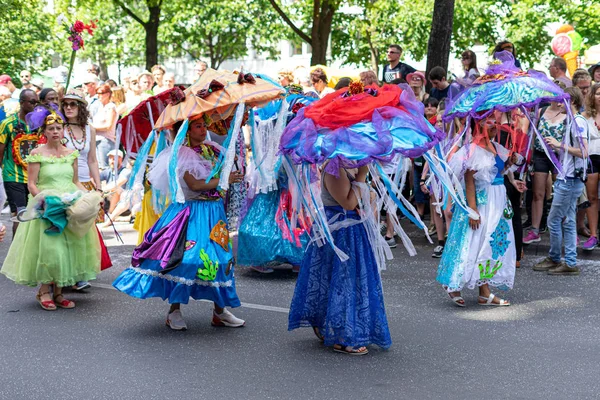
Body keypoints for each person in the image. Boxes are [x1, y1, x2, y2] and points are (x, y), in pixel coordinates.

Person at [113, 118, 246, 331]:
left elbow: (226, 170)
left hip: (214, 212)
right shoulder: (181, 154)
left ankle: (220, 312)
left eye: (204, 126)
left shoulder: (212, 149)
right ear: (185, 131)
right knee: (185, 260)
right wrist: (225, 180)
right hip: (191, 213)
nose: (203, 130)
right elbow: (195, 185)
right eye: (198, 126)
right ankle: (174, 310)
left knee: (220, 260)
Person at [0, 104, 101, 310]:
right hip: (46, 204)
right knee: (51, 249)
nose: (55, 131)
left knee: (67, 248)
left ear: (63, 129)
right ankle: (44, 291)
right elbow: (32, 184)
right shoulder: (37, 153)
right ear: (44, 132)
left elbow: (76, 181)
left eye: (59, 128)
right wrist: (44, 201)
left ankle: (59, 292)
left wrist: (87, 197)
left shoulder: (71, 153)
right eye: (51, 128)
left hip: (68, 203)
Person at [288, 163, 392, 355]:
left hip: (352, 232)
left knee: (346, 281)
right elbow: (348, 203)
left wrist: (366, 193)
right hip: (340, 234)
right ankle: (342, 338)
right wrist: (362, 175)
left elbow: (361, 198)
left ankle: (330, 326)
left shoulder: (349, 166)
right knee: (343, 282)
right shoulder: (334, 167)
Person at [437, 117, 520, 306]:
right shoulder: (472, 150)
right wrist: (472, 210)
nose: (494, 126)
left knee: (491, 244)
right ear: (478, 125)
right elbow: (469, 181)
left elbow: (496, 173)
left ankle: (485, 292)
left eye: (495, 121)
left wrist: (508, 164)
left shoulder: (496, 147)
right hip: (483, 201)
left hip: (498, 199)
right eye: (489, 122)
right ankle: (454, 286)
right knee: (473, 241)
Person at [533, 88, 588, 275]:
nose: (556, 104)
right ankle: (569, 261)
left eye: (560, 100)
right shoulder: (572, 121)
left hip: (570, 180)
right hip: (568, 177)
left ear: (570, 100)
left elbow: (584, 151)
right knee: (567, 220)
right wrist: (558, 149)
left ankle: (556, 258)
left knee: (554, 219)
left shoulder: (578, 122)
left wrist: (560, 145)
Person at [62, 89, 105, 291]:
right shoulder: (58, 128)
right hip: (65, 184)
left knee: (85, 231)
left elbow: (92, 160)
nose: (68, 107)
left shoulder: (90, 129)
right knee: (67, 230)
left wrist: (98, 185)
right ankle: (66, 273)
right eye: (65, 104)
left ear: (81, 107)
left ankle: (80, 273)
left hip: (86, 183)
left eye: (73, 104)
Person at [522, 100, 567, 244]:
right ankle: (535, 229)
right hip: (540, 154)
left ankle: (567, 229)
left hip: (559, 156)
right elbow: (533, 134)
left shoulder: (567, 113)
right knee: (538, 193)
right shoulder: (541, 111)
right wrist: (530, 154)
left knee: (562, 193)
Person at [0, 89, 39, 239]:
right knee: (20, 214)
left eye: (36, 102)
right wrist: (4, 171)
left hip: (33, 177)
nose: (35, 105)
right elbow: (1, 151)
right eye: (32, 102)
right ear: (21, 103)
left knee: (35, 214)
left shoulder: (38, 124)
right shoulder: (8, 124)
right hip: (13, 175)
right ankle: (16, 253)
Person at [581, 83, 600, 250]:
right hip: (592, 158)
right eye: (598, 93)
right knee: (591, 198)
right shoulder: (585, 116)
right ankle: (593, 235)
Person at [91, 84, 118, 169]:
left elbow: (108, 126)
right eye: (97, 93)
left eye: (100, 93)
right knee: (98, 167)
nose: (98, 95)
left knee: (105, 167)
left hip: (106, 141)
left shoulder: (111, 107)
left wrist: (92, 128)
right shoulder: (100, 107)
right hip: (97, 139)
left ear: (107, 94)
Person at [99, 149, 131, 214]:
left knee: (117, 189)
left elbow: (117, 183)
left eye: (114, 158)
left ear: (120, 159)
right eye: (110, 158)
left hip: (123, 201)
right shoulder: (108, 171)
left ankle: (110, 214)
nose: (112, 161)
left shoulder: (126, 171)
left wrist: (101, 190)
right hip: (109, 199)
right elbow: (96, 178)